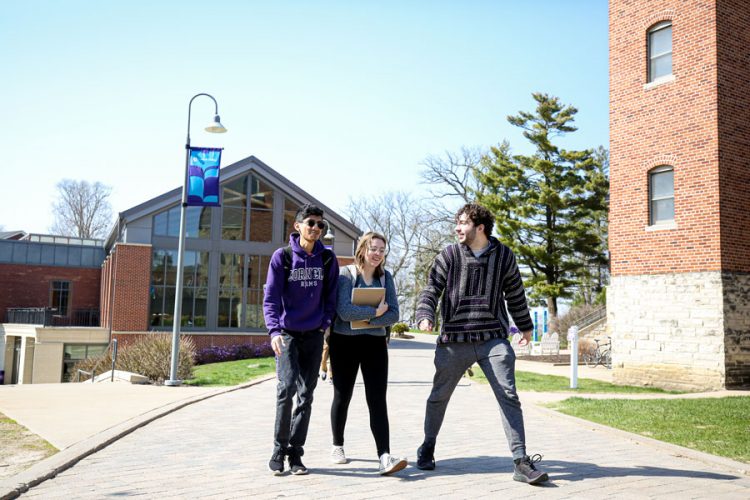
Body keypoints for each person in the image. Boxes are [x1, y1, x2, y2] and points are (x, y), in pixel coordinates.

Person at [415, 203, 549, 485]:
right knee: (439, 396)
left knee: (508, 395)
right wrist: (425, 315)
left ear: (480, 227)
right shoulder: (449, 255)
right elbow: (431, 290)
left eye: (463, 222)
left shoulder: (504, 256)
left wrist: (525, 326)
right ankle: (427, 445)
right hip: (455, 339)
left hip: (493, 339)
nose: (457, 227)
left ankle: (520, 461)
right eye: (457, 222)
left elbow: (515, 294)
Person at [263, 203, 339, 476]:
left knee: (306, 395)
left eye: (321, 224)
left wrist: (325, 323)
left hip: (314, 335)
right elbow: (270, 298)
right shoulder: (282, 257)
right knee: (286, 390)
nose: (316, 228)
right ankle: (278, 448)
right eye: (311, 223)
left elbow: (331, 297)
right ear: (298, 226)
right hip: (287, 335)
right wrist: (273, 331)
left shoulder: (328, 259)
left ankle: (296, 452)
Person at [328, 231, 408, 475]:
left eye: (382, 250)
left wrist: (369, 320)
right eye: (373, 248)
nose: (377, 254)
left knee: (377, 399)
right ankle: (337, 445)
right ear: (363, 249)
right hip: (344, 343)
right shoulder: (345, 274)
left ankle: (384, 455)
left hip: (374, 345)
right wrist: (375, 314)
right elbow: (343, 311)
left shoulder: (386, 278)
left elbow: (394, 314)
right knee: (343, 396)